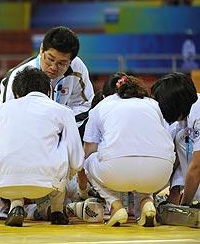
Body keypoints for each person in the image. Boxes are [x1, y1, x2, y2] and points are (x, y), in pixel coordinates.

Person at [0, 26, 94, 212]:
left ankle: (80, 188)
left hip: (56, 129)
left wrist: (62, 119)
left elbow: (86, 105)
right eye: (50, 59)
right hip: (7, 127)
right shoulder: (18, 75)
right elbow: (10, 124)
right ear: (41, 50)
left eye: (62, 63)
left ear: (71, 61)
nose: (54, 67)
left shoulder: (79, 70)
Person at [0, 67, 84, 226]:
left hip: (3, 185)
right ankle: (57, 211)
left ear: (17, 93)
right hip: (47, 184)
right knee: (63, 151)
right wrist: (70, 175)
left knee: (9, 154)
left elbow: (0, 150)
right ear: (48, 91)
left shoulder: (2, 110)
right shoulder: (62, 111)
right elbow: (77, 160)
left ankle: (15, 205)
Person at [83, 75, 175, 227]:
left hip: (117, 172)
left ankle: (115, 206)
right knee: (148, 159)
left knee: (88, 161)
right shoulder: (154, 104)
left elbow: (89, 149)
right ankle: (147, 201)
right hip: (160, 174)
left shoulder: (102, 105)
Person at [151, 72, 200, 205]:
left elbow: (197, 167)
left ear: (173, 103)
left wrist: (183, 207)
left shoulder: (198, 111)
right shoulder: (177, 124)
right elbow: (172, 164)